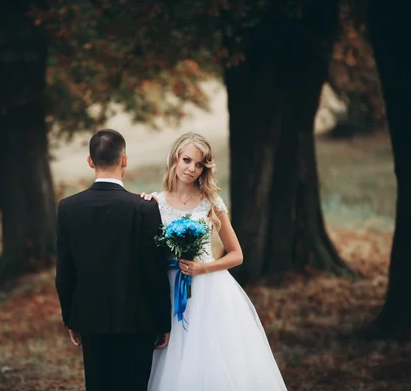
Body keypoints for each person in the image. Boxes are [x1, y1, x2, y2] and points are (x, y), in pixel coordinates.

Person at [141, 132, 287, 390]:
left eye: (199, 165)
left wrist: (202, 268)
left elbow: (236, 254)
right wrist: (140, 204)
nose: (191, 169)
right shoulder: (155, 203)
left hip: (209, 288)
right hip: (171, 287)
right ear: (175, 159)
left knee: (212, 353)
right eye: (186, 160)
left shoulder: (210, 203)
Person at [55, 129, 172, 391]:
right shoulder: (144, 208)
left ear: (90, 161)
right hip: (138, 320)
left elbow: (65, 271)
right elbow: (154, 271)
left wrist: (71, 318)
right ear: (125, 160)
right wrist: (162, 321)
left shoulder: (68, 208)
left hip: (90, 318)